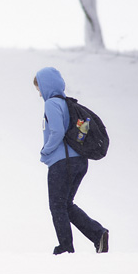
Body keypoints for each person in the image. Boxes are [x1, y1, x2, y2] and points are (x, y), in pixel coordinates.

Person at [34, 67, 109, 255]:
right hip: (79, 161)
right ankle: (98, 234)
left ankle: (66, 247)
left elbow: (57, 132)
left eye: (39, 88)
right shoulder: (67, 104)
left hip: (62, 163)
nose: (39, 93)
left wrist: (45, 151)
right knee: (66, 204)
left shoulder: (51, 103)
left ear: (46, 86)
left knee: (57, 205)